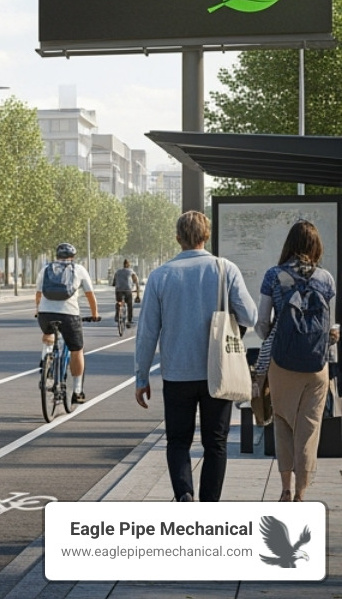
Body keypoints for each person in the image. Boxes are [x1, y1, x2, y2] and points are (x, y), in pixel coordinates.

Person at [135, 210, 258, 503]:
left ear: (177, 238)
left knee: (178, 440)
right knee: (215, 443)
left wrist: (141, 377)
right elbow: (250, 315)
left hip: (177, 373)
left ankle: (184, 494)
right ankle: (209, 506)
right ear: (207, 235)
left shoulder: (160, 275)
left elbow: (147, 333)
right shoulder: (226, 269)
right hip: (219, 371)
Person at [255, 220, 339, 502]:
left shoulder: (273, 275)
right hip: (317, 365)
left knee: (283, 423)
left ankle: (286, 489)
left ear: (289, 244)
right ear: (315, 246)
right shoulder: (326, 279)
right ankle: (302, 493)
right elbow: (331, 329)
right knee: (309, 426)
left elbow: (262, 324)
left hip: (282, 363)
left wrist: (276, 334)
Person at [35, 242, 99, 405]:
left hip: (45, 313)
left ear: (56, 256)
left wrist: (38, 310)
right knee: (76, 349)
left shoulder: (45, 269)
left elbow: (38, 294)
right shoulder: (79, 270)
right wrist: (94, 314)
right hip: (69, 315)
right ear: (73, 257)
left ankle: (46, 358)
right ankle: (77, 391)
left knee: (48, 334)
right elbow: (90, 295)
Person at [113, 260, 138, 326]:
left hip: (118, 290)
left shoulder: (117, 272)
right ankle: (129, 320)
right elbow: (136, 283)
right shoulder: (131, 271)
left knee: (119, 302)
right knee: (130, 305)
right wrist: (137, 295)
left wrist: (115, 284)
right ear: (129, 265)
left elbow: (114, 282)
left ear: (123, 265)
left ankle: (117, 315)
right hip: (128, 290)